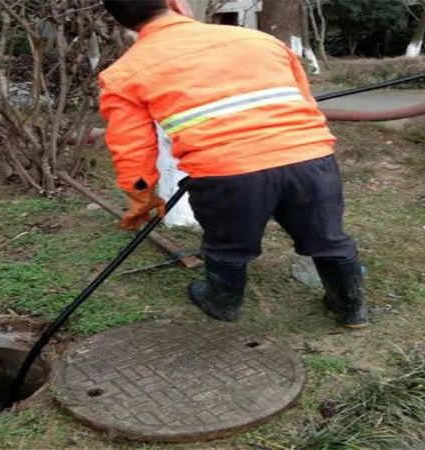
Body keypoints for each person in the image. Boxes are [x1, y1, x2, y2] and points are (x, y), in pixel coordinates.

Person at [99, 0, 369, 328]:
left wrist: (141, 199)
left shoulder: (123, 74)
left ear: (122, 23)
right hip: (309, 160)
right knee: (329, 237)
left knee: (227, 246)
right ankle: (351, 309)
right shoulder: (261, 41)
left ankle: (222, 302)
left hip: (226, 175)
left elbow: (132, 151)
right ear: (176, 4)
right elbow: (305, 102)